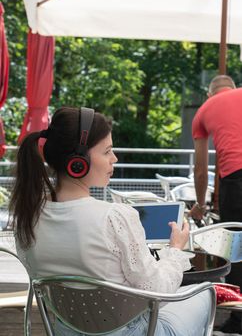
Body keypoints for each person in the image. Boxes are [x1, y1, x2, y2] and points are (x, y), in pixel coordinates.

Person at [9, 106, 212, 336]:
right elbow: (157, 292)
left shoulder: (27, 218)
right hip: (134, 333)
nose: (114, 159)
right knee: (206, 294)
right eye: (107, 152)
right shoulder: (114, 217)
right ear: (78, 162)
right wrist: (175, 250)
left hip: (66, 331)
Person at [190, 74, 242, 333]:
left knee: (238, 249)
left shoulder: (204, 110)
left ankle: (239, 319)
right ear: (233, 88)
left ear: (210, 94)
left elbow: (201, 170)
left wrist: (200, 203)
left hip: (236, 179)